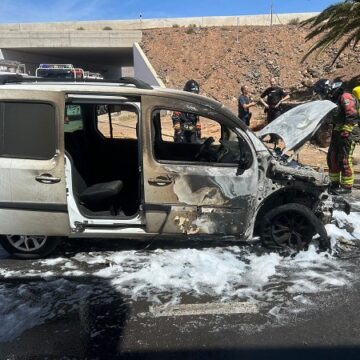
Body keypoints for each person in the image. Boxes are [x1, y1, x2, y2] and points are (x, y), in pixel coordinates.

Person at [314, 79, 360, 194]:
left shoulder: (345, 97)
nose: (322, 96)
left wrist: (346, 130)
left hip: (350, 130)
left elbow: (352, 114)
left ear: (327, 89)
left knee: (344, 158)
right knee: (332, 157)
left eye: (322, 93)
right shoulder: (333, 99)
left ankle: (347, 186)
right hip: (338, 130)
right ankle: (334, 183)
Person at [260, 77, 290, 143]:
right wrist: (265, 104)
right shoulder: (268, 90)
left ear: (275, 82)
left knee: (276, 123)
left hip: (277, 109)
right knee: (270, 123)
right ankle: (272, 139)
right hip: (269, 109)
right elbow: (260, 98)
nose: (272, 83)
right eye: (271, 82)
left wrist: (281, 101)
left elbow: (288, 96)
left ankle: (276, 139)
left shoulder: (279, 89)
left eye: (273, 82)